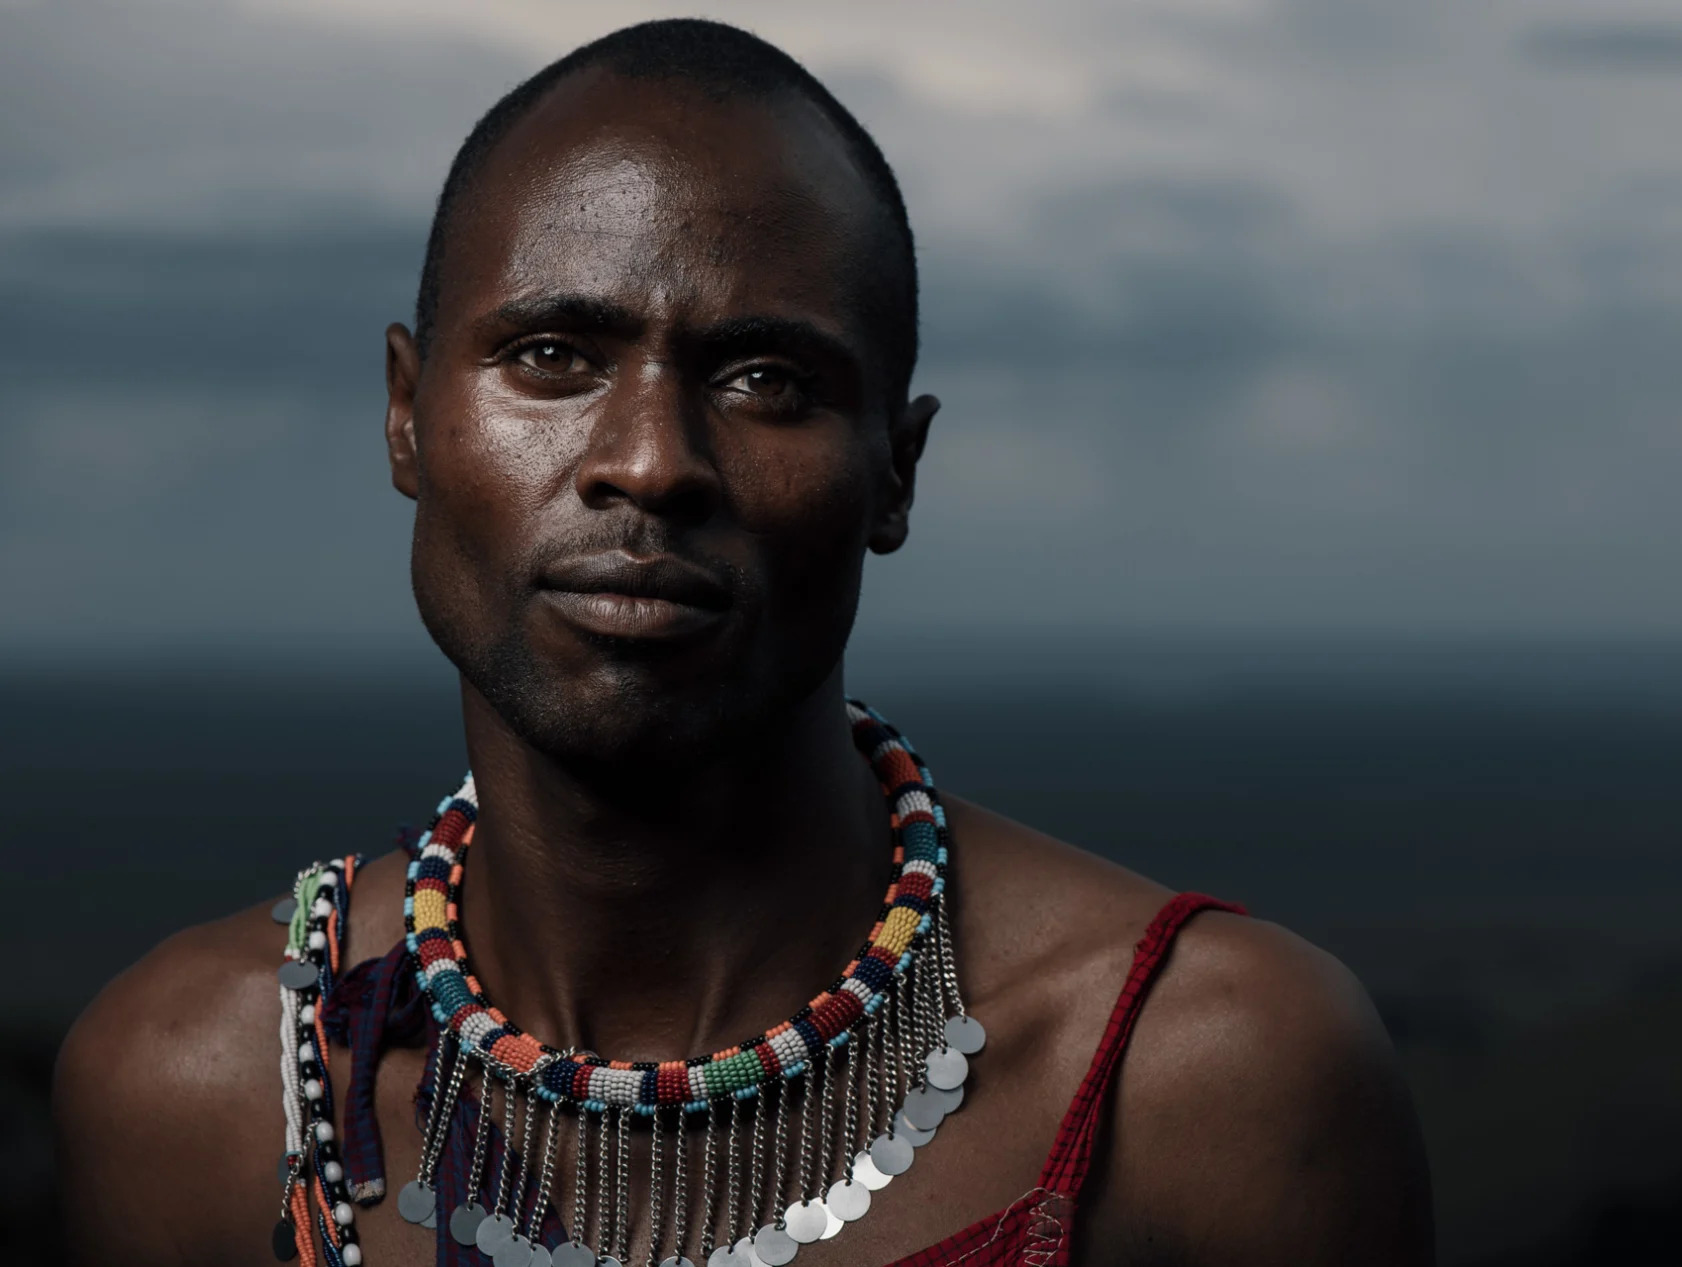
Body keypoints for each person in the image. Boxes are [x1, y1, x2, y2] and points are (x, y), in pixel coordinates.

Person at [54, 19, 1433, 1267]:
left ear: (895, 472)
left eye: (766, 380)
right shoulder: (203, 1084)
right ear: (411, 415)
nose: (651, 463)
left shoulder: (1204, 1078)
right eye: (550, 357)